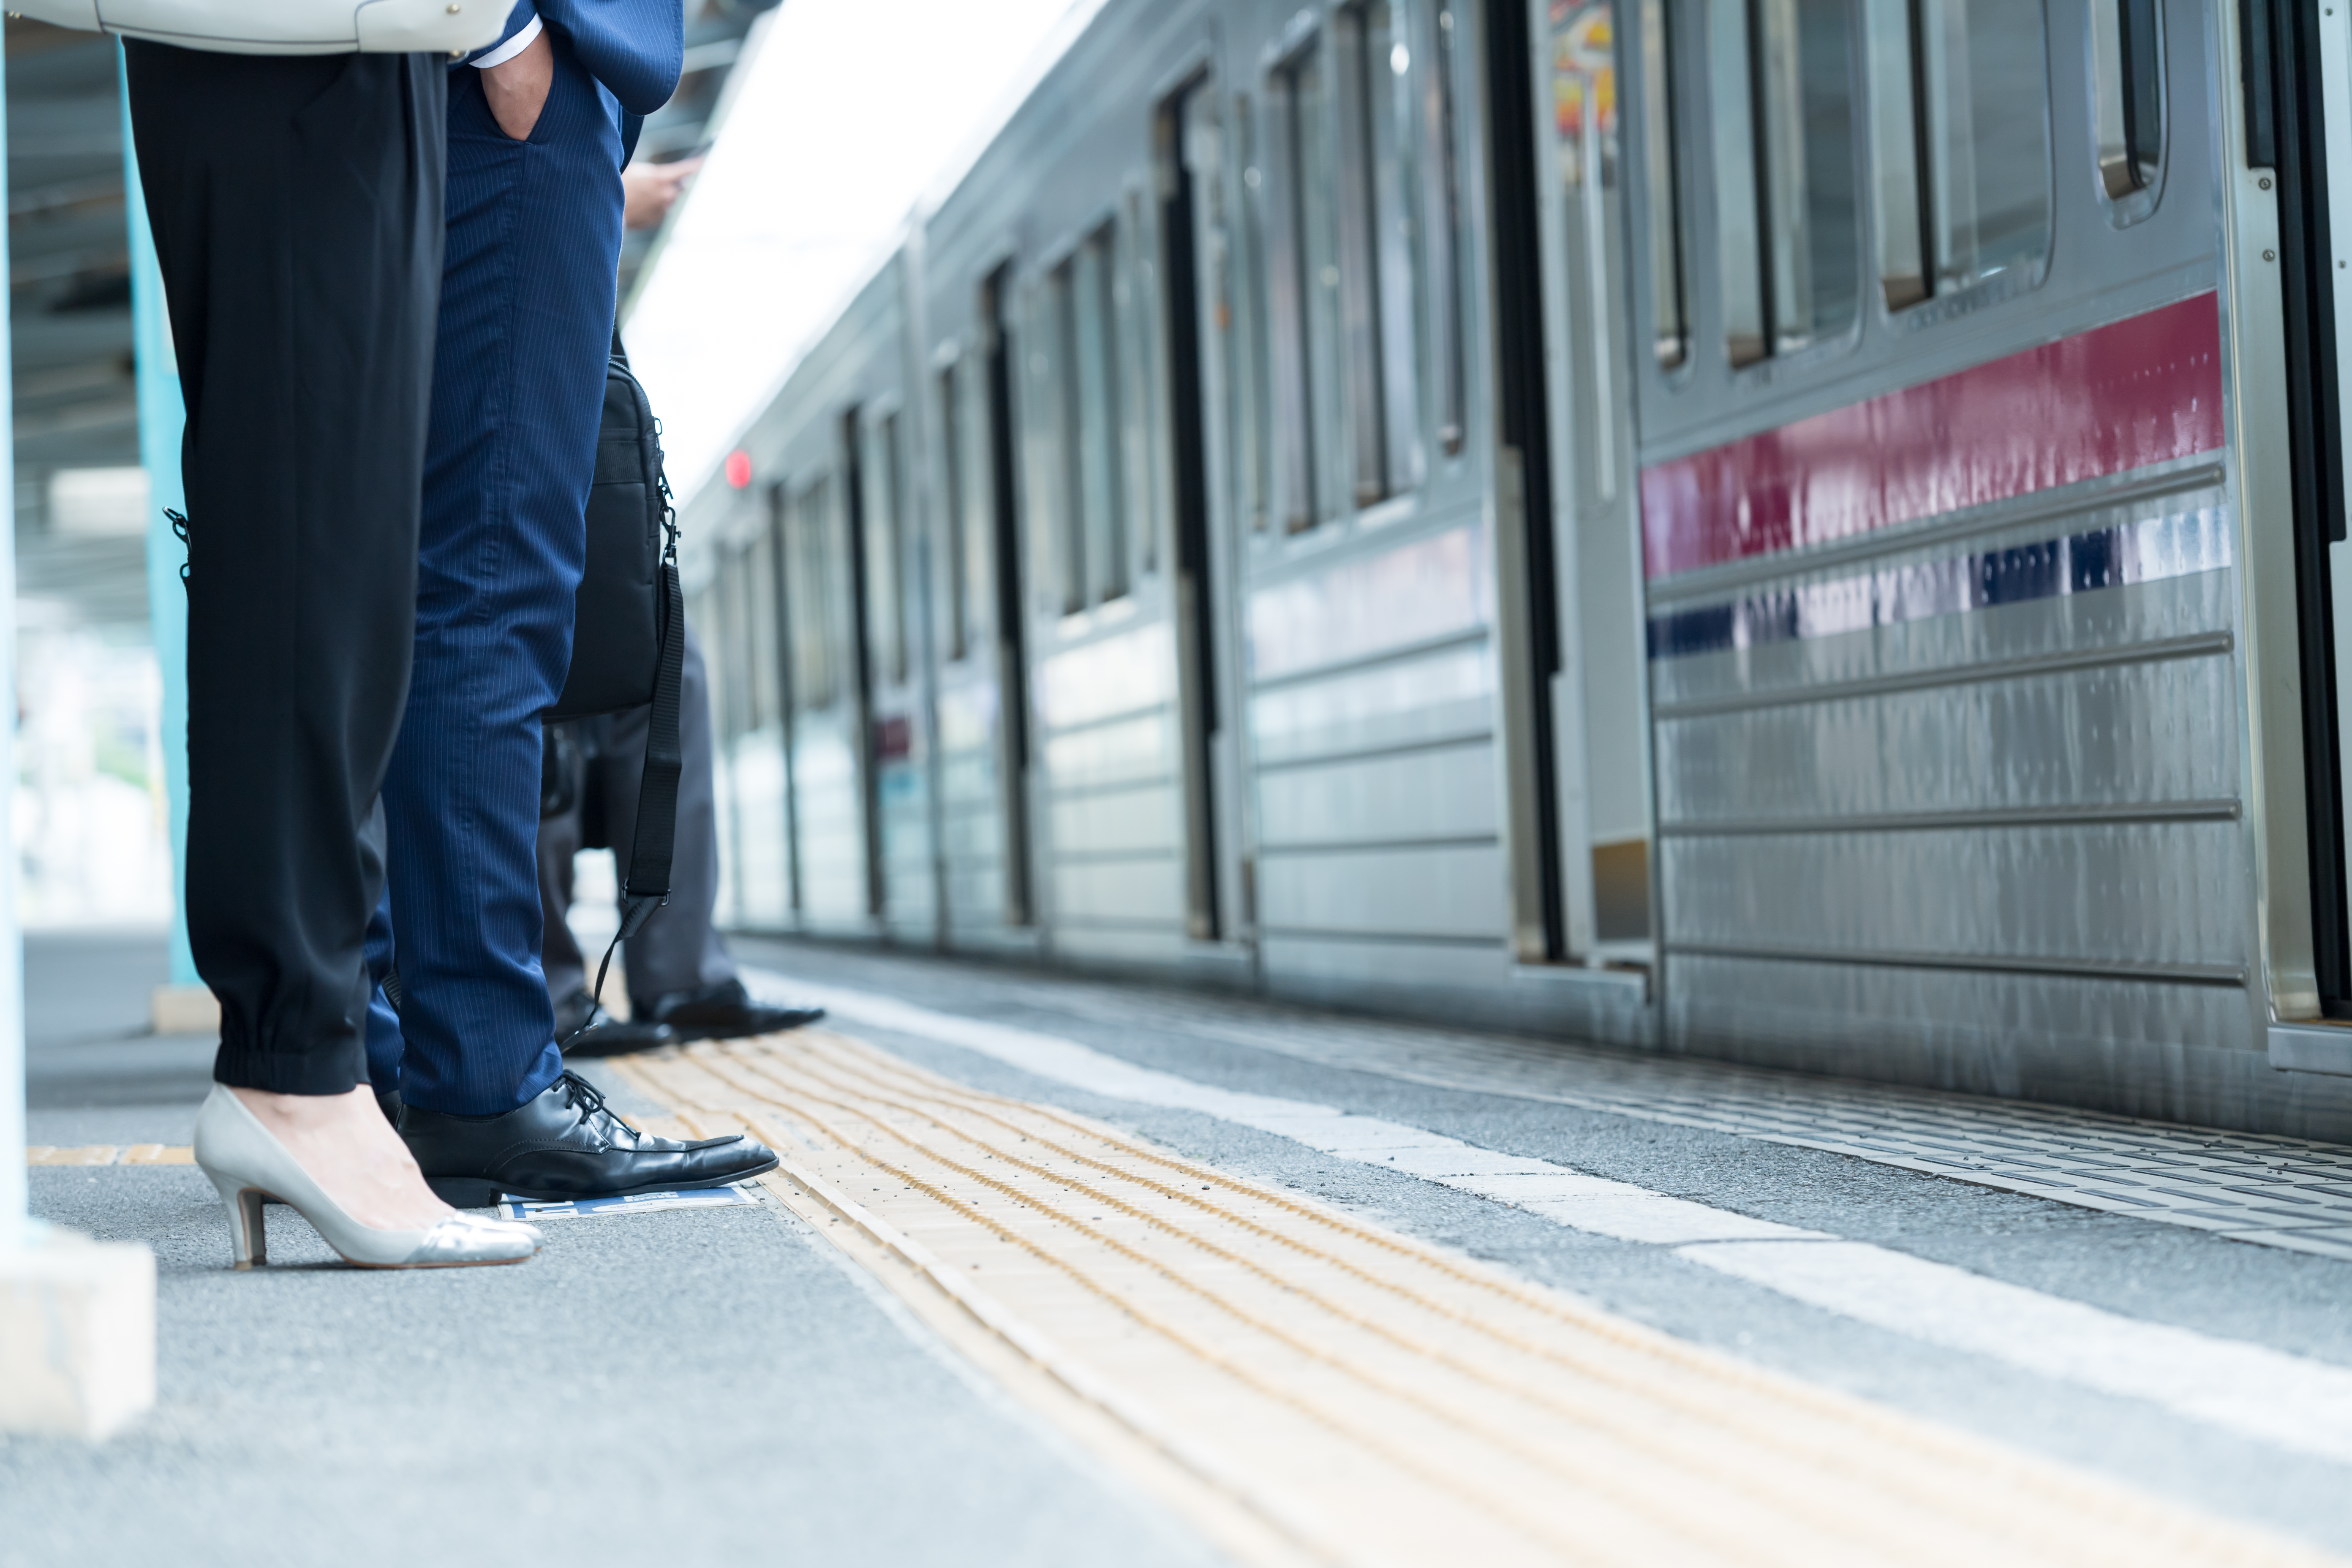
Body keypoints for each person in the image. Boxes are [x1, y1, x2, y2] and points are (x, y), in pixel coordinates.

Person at [360, 0, 779, 1208]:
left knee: (385, 586)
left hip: (444, 89)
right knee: (489, 587)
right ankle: (488, 1081)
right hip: (511, 90)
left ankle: (385, 1053)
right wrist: (505, 36)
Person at [125, 44, 538, 1267]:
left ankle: (303, 1061)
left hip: (339, 42)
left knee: (325, 523)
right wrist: (508, 27)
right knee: (316, 520)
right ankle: (295, 1074)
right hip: (313, 43)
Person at [539, 155, 825, 1056]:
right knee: (522, 690)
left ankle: (683, 975)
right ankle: (540, 996)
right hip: (494, 416)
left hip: (566, 412)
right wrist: (599, 188)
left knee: (663, 672)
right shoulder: (482, 48)